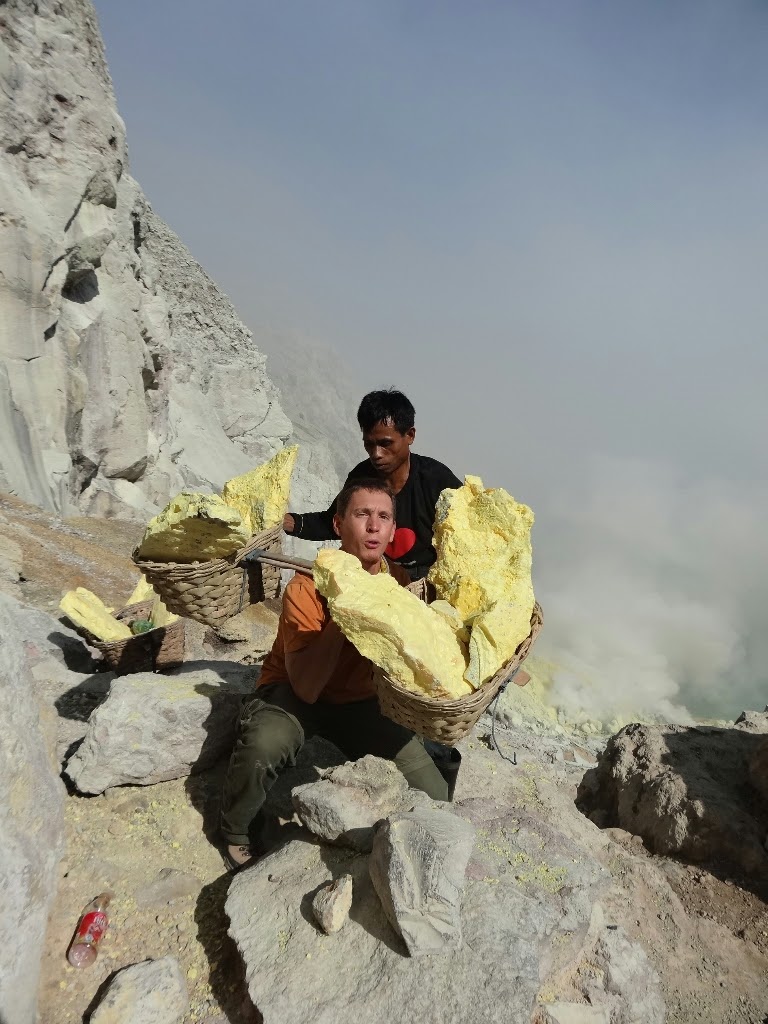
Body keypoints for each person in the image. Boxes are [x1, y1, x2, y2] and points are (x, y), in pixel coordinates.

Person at [221, 478, 449, 869]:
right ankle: (235, 831)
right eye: (362, 515)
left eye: (383, 517)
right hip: (295, 691)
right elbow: (306, 688)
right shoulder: (307, 586)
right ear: (339, 524)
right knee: (265, 743)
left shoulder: (398, 583)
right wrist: (346, 609)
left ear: (393, 530)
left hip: (361, 701)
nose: (373, 526)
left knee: (435, 792)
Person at [283, 389, 461, 581]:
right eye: (369, 444)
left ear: (410, 435)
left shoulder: (437, 481)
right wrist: (290, 522)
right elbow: (334, 522)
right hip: (376, 574)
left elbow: (464, 536)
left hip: (429, 578)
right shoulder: (361, 477)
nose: (376, 454)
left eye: (386, 444)